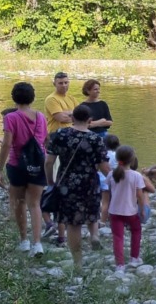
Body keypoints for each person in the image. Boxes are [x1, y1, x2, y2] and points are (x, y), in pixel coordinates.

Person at [44, 104, 110, 270]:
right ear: (90, 120)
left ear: (72, 118)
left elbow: (49, 162)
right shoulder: (96, 139)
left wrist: (50, 181)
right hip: (89, 181)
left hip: (66, 183)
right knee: (92, 211)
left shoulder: (60, 134)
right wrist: (117, 180)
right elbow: (103, 167)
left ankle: (77, 261)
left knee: (73, 223)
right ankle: (94, 235)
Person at [0, 81, 47, 252]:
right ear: (33, 97)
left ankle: (24, 240)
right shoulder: (41, 117)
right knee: (35, 203)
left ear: (14, 97)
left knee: (19, 202)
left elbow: (7, 143)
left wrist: (0, 167)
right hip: (38, 164)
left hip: (17, 164)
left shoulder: (11, 117)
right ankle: (37, 243)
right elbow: (45, 141)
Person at [106, 145, 152, 273]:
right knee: (136, 232)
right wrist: (142, 209)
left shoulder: (111, 174)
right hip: (130, 211)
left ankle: (119, 265)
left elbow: (109, 192)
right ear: (132, 160)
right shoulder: (136, 175)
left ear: (116, 158)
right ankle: (134, 257)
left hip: (114, 211)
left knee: (117, 237)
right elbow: (140, 195)